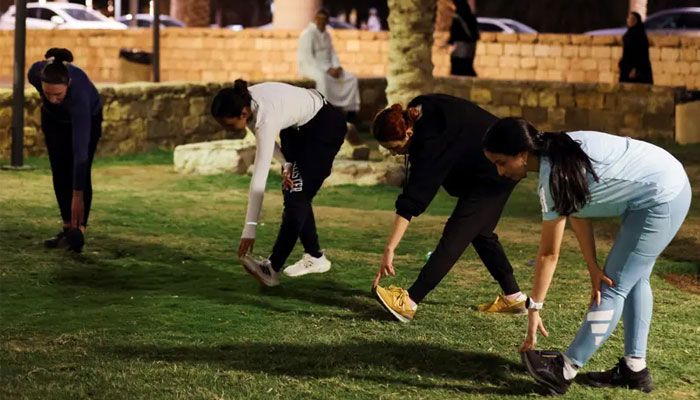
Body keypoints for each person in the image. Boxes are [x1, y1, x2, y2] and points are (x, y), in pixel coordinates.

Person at [482, 118, 691, 395]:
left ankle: (565, 369)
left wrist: (534, 309)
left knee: (613, 288)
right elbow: (576, 208)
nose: (499, 171)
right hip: (661, 184)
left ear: (522, 154)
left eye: (501, 162)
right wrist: (592, 266)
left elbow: (548, 254)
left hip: (663, 195)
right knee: (634, 278)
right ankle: (635, 369)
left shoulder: (552, 175)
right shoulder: (557, 150)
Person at [371, 95, 528, 323]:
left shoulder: (430, 139)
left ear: (408, 134)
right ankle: (513, 296)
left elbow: (413, 199)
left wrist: (389, 248)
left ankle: (409, 301)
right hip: (493, 164)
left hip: (498, 170)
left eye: (395, 148)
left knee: (456, 234)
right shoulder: (420, 108)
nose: (394, 154)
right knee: (481, 233)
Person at [211, 80, 346, 287]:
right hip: (296, 128)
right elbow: (264, 136)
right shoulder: (246, 100)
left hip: (324, 127)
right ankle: (315, 257)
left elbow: (259, 178)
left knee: (297, 196)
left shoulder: (264, 114)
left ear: (244, 113)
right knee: (295, 191)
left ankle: (272, 269)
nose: (227, 130)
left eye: (229, 124)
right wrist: (286, 163)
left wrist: (250, 228)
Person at [28, 48, 102, 253]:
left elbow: (80, 154)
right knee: (59, 169)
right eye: (47, 93)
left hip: (88, 119)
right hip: (53, 120)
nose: (52, 98)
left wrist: (77, 195)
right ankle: (67, 228)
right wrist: (54, 101)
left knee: (79, 169)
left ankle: (79, 231)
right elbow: (50, 97)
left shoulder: (80, 95)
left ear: (68, 84)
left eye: (58, 94)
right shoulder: (35, 73)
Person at [298, 8, 361, 124]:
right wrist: (327, 69)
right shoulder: (307, 34)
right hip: (311, 66)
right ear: (315, 19)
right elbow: (308, 58)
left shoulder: (327, 35)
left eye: (324, 19)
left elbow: (332, 53)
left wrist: (337, 67)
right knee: (322, 79)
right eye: (319, 19)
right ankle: (324, 112)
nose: (321, 21)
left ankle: (351, 113)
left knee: (351, 78)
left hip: (329, 66)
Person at [619, 12, 653, 84]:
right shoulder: (628, 34)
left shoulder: (640, 36)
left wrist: (635, 69)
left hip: (638, 70)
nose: (630, 20)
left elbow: (642, 55)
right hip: (627, 68)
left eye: (633, 19)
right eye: (629, 18)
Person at [448, 0, 479, 77]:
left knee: (458, 67)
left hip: (460, 47)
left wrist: (450, 43)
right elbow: (476, 34)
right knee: (467, 66)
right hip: (470, 47)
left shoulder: (457, 18)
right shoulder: (471, 17)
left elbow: (454, 32)